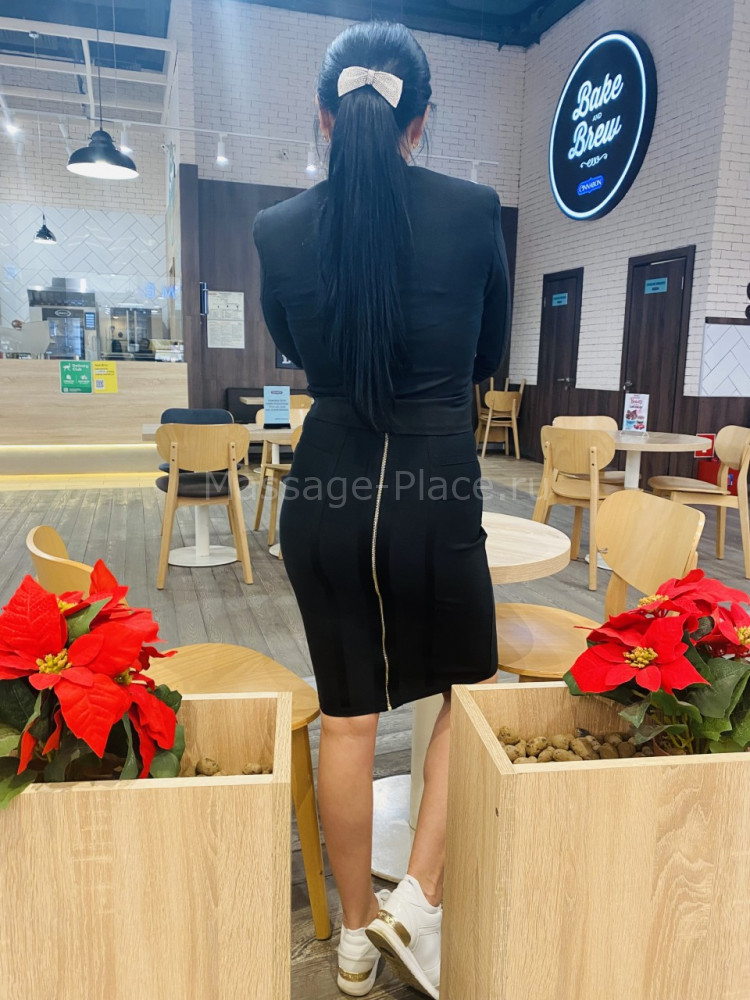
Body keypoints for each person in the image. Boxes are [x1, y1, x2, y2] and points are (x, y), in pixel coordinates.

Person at [253, 21, 510, 999]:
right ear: (421, 120)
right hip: (434, 486)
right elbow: (487, 354)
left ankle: (355, 938)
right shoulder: (473, 210)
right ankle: (421, 900)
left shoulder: (278, 229)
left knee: (348, 721)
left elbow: (293, 345)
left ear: (324, 118)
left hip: (324, 489)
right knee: (466, 694)